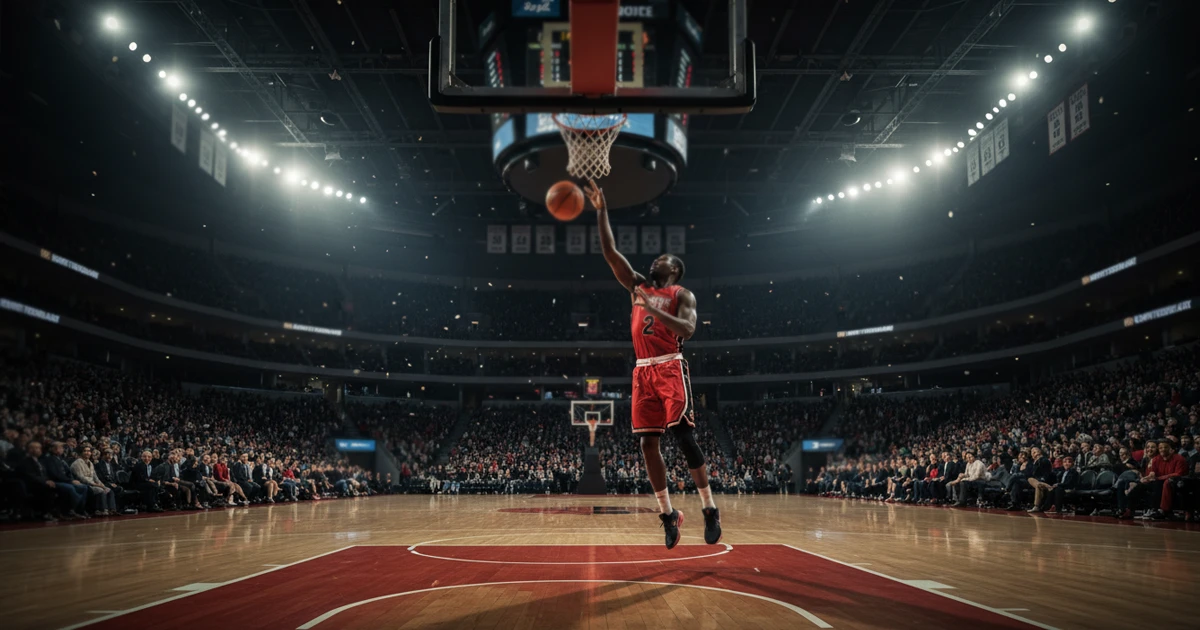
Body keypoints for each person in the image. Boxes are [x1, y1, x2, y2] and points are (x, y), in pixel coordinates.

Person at [586, 179, 720, 549]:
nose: (655, 260)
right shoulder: (638, 287)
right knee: (648, 444)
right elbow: (611, 252)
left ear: (674, 269)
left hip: (669, 364)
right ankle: (668, 515)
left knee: (683, 436)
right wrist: (601, 210)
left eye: (662, 258)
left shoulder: (681, 294)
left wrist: (653, 313)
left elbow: (689, 331)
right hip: (643, 370)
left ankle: (709, 507)